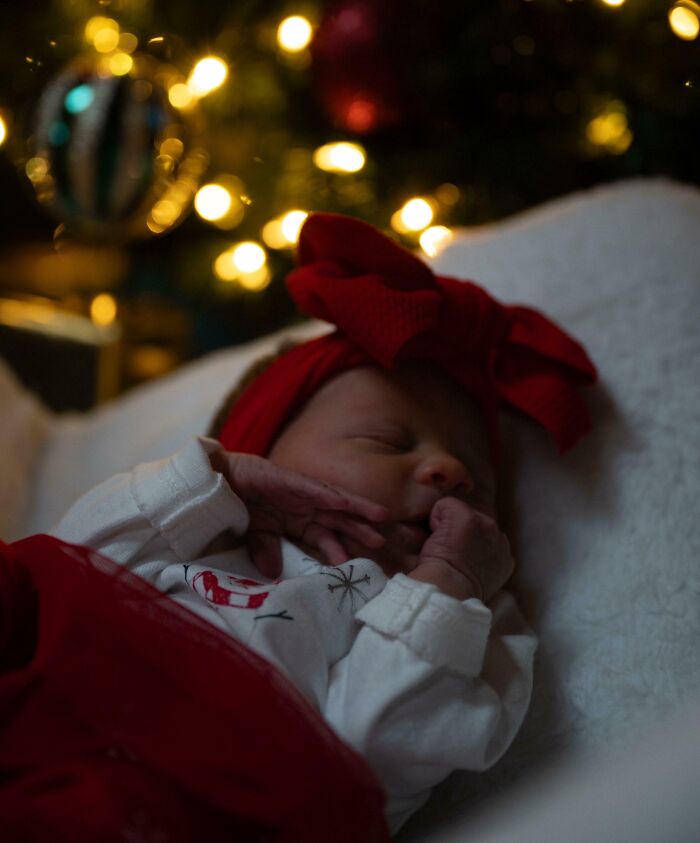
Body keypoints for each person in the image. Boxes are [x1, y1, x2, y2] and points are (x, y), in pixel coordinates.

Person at [51, 213, 597, 835]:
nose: (448, 468)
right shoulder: (192, 537)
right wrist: (213, 485)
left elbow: (376, 747)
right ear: (264, 456)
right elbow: (63, 579)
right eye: (385, 440)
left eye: (479, 476)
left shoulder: (469, 622)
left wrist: (445, 586)